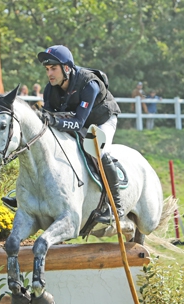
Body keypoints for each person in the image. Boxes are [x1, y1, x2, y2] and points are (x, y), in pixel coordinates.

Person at [37, 45, 122, 224]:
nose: (49, 73)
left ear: (66, 68)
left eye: (53, 68)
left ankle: (116, 206)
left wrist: (54, 121)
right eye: (47, 69)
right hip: (78, 121)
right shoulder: (50, 89)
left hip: (102, 120)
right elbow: (49, 119)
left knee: (99, 151)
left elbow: (78, 123)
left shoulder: (89, 84)